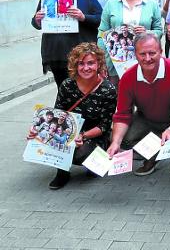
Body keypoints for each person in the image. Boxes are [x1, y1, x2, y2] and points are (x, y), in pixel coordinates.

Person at [106, 33, 170, 185]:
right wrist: (115, 142)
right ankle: (152, 156)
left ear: (161, 52)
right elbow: (122, 114)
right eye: (142, 54)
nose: (147, 58)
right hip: (147, 119)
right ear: (135, 54)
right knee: (122, 139)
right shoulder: (128, 77)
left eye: (152, 53)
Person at [27, 43, 116, 189]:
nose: (86, 68)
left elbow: (104, 126)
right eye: (81, 63)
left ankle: (97, 158)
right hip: (68, 129)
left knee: (81, 155)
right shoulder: (67, 85)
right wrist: (37, 130)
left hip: (94, 133)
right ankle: (62, 171)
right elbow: (57, 114)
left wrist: (83, 135)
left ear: (99, 64)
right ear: (74, 65)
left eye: (90, 63)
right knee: (51, 136)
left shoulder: (108, 90)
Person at [31, 0, 102, 87]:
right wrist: (37, 19)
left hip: (81, 54)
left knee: (83, 90)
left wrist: (83, 17)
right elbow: (36, 23)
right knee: (63, 89)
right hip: (56, 54)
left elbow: (100, 19)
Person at [98, 0, 163, 85]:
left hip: (144, 60)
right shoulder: (111, 4)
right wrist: (102, 59)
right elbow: (102, 32)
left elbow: (159, 30)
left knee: (143, 96)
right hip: (116, 62)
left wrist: (147, 33)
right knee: (117, 98)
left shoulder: (152, 5)